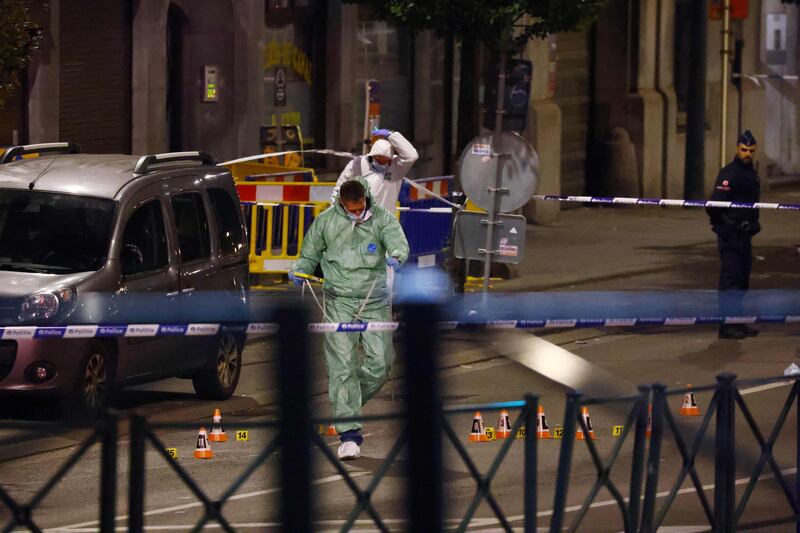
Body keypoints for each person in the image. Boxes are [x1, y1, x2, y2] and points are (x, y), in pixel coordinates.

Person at [289, 179, 409, 460]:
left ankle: (345, 404)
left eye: (360, 209)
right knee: (342, 366)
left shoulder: (382, 219)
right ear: (342, 203)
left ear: (366, 199)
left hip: (374, 301)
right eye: (350, 210)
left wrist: (396, 256)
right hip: (338, 302)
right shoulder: (326, 222)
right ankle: (349, 435)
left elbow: (397, 243)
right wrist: (299, 270)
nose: (356, 214)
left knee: (381, 364)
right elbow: (309, 255)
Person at [706, 130, 762, 340]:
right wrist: (727, 225)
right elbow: (714, 206)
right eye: (743, 150)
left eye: (750, 151)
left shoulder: (752, 174)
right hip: (731, 235)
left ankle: (736, 321)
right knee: (730, 280)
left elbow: (752, 204)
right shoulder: (729, 173)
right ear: (737, 149)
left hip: (745, 234)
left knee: (742, 280)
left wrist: (754, 222)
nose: (747, 154)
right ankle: (727, 326)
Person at [330, 128, 419, 213]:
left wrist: (392, 135)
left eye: (384, 161)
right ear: (371, 156)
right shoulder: (358, 164)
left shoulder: (397, 167)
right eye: (378, 160)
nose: (380, 164)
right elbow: (340, 188)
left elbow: (412, 156)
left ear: (390, 160)